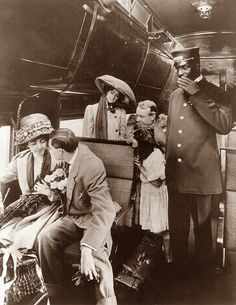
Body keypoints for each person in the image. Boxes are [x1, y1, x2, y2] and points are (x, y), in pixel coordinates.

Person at [165, 47, 233, 276]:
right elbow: (172, 134)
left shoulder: (216, 92)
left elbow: (223, 125)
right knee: (177, 228)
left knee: (202, 229)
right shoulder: (174, 96)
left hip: (201, 175)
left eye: (184, 66)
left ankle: (204, 279)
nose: (179, 72)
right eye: (176, 67)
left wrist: (197, 94)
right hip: (176, 174)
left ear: (196, 65)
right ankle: (178, 273)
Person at [37, 128, 117, 305]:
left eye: (50, 148)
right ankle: (53, 293)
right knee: (46, 238)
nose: (49, 151)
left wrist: (87, 248)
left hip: (92, 219)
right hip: (74, 217)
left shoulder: (91, 165)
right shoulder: (67, 157)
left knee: (97, 259)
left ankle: (106, 301)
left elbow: (105, 210)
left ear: (60, 151)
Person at [127, 100, 171, 263]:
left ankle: (168, 258)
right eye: (137, 115)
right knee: (153, 223)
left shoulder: (157, 137)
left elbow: (157, 178)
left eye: (141, 116)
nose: (138, 119)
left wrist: (143, 168)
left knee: (161, 222)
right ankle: (154, 257)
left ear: (152, 116)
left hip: (156, 180)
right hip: (148, 179)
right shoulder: (142, 129)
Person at [83, 74, 136, 140]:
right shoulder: (91, 109)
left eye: (117, 95)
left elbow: (122, 135)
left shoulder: (121, 112)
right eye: (112, 92)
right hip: (97, 148)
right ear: (107, 91)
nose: (113, 97)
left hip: (114, 148)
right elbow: (87, 137)